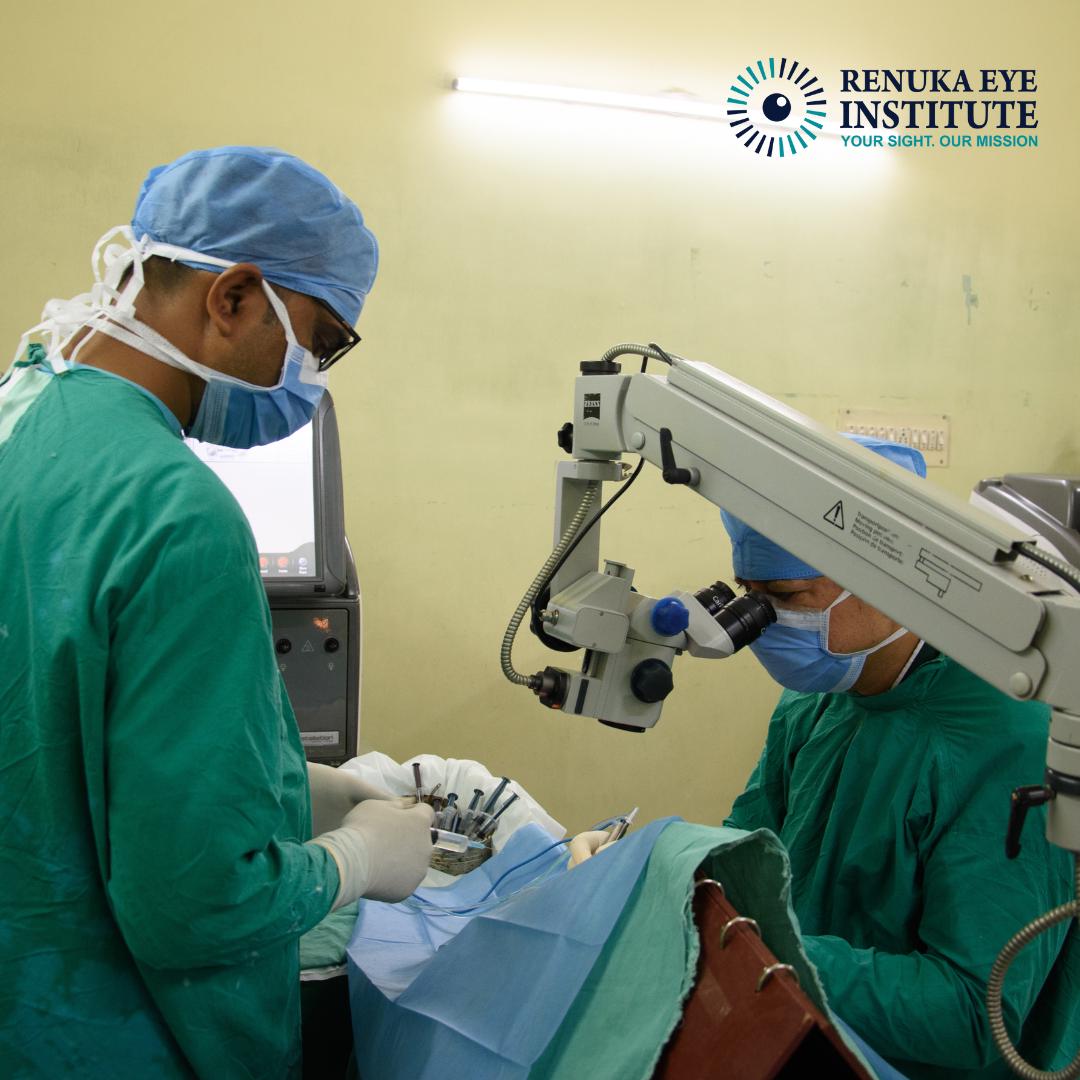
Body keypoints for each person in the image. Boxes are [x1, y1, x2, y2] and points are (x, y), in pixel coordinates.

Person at [0, 147, 434, 1079]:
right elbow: (195, 904)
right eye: (321, 341)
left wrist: (285, 789)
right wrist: (357, 861)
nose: (313, 374)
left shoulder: (22, 410)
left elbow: (53, 733)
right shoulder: (175, 513)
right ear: (232, 297)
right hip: (109, 1038)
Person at [721, 436, 1077, 1079]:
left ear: (890, 580)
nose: (762, 621)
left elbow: (975, 1014)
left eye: (787, 595)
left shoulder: (1010, 741)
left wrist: (774, 951)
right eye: (747, 592)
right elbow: (746, 849)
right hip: (809, 1032)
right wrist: (664, 867)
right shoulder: (817, 696)